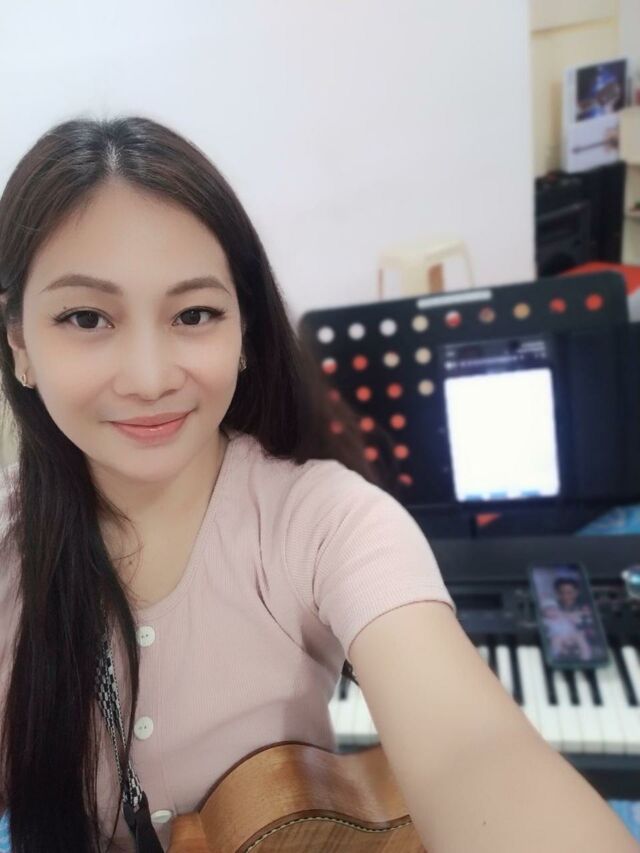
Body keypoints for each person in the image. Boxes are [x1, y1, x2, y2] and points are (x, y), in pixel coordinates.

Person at [0, 116, 636, 853]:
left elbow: (475, 755)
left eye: (195, 313)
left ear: (245, 332)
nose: (148, 378)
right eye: (86, 317)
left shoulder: (330, 521)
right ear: (19, 343)